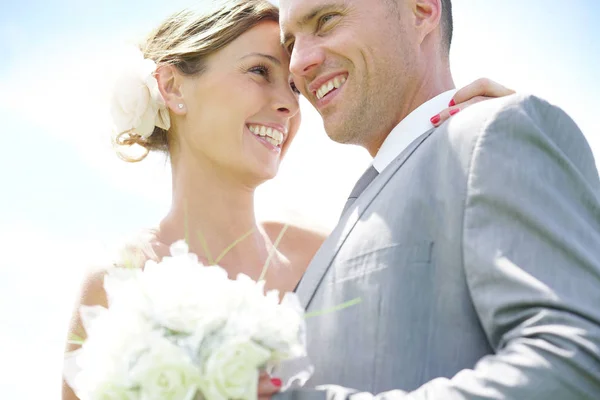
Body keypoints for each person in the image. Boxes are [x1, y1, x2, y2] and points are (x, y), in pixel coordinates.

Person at [61, 1, 516, 399]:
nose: (289, 104)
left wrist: (457, 137)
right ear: (174, 87)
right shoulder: (113, 282)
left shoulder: (330, 251)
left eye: (294, 87)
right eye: (259, 72)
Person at [267, 0, 600, 398]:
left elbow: (578, 363)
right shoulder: (360, 202)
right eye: (290, 45)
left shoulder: (493, 135)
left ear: (422, 10)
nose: (298, 63)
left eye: (326, 20)